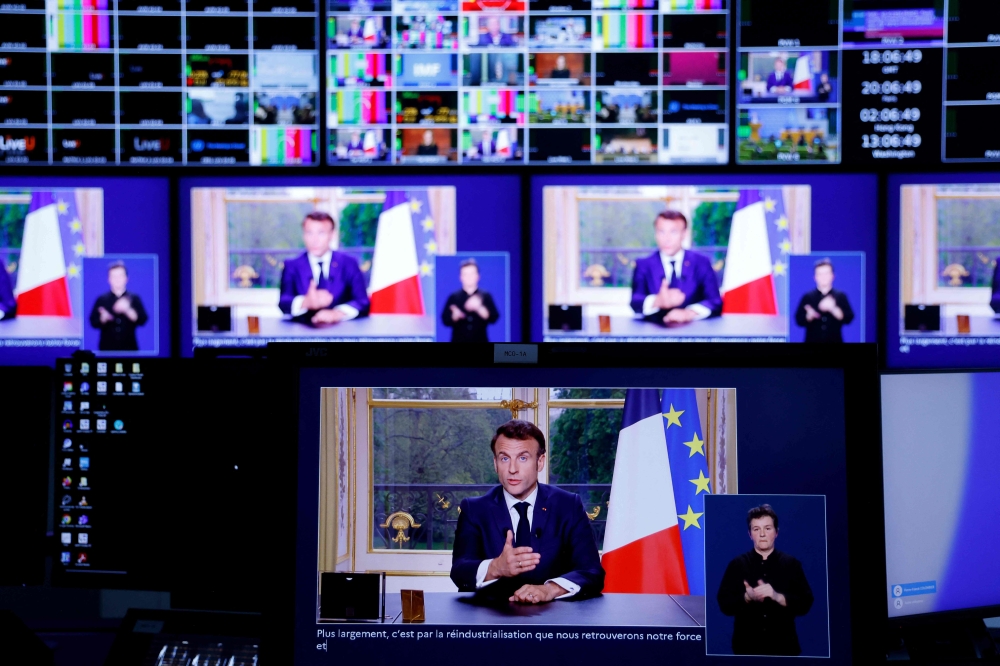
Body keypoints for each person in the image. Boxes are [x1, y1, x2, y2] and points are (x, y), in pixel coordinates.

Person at [450, 420, 605, 603]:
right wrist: (495, 567)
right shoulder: (474, 509)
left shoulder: (568, 505)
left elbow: (592, 572)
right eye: (504, 458)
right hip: (491, 622)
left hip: (554, 621)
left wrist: (550, 589)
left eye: (523, 458)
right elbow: (459, 571)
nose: (512, 469)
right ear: (495, 463)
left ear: (540, 462)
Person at [716, 504, 814, 656]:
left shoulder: (791, 564)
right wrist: (747, 597)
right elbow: (724, 604)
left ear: (776, 533)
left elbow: (806, 603)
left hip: (785, 649)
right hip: (746, 649)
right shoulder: (737, 564)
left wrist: (778, 597)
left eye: (767, 528)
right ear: (750, 534)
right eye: (756, 529)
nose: (762, 534)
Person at [629, 210, 722, 324]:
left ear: (684, 234)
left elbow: (715, 301)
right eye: (661, 232)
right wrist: (657, 301)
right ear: (655, 234)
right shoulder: (643, 264)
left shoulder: (701, 263)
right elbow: (635, 301)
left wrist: (690, 313)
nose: (667, 239)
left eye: (673, 232)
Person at [278, 211, 370, 325]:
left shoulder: (349, 263)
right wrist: (305, 302)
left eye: (321, 233)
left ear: (332, 235)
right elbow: (283, 302)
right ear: (303, 235)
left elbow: (362, 302)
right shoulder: (291, 265)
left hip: (343, 335)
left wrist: (337, 313)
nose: (314, 239)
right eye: (309, 233)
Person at [88, 261, 149, 351]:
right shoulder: (102, 299)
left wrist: (128, 310)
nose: (117, 279)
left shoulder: (134, 298)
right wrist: (103, 319)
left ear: (126, 278)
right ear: (109, 279)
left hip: (129, 348)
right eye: (114, 276)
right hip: (107, 349)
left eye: (120, 276)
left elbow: (143, 320)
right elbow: (93, 322)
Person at [794, 258, 854, 343]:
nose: (823, 277)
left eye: (826, 273)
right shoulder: (807, 297)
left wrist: (833, 308)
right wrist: (809, 316)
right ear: (815, 277)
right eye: (820, 274)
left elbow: (849, 318)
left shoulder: (840, 296)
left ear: (833, 276)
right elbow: (798, 320)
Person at [441, 258, 500, 342]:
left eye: (472, 274)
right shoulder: (454, 297)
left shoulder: (486, 296)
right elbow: (445, 320)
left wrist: (479, 308)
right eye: (465, 274)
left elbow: (494, 318)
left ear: (478, 276)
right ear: (460, 277)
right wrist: (454, 316)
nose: (469, 277)